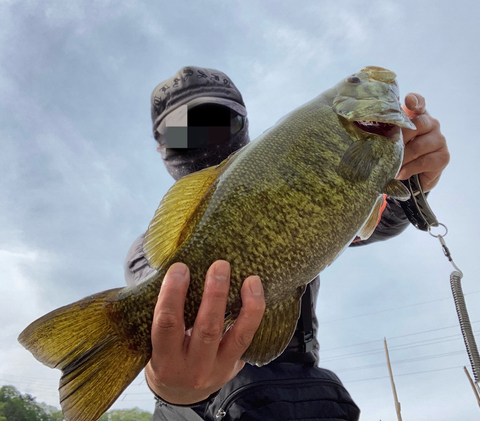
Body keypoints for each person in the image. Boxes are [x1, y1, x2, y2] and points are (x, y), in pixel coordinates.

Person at [125, 66, 450, 420]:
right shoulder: (148, 249)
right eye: (185, 131)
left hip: (306, 397)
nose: (205, 135)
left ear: (244, 124)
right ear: (161, 146)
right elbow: (164, 318)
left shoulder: (300, 174)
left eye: (217, 122)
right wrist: (172, 389)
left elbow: (375, 222)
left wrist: (412, 183)